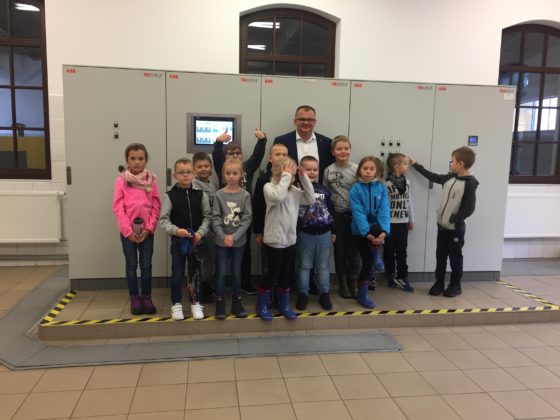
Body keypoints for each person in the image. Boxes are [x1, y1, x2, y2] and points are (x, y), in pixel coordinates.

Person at [409, 147, 478, 297]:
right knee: (440, 257)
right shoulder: (450, 177)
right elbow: (433, 177)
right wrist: (415, 165)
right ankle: (439, 283)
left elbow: (469, 207)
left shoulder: (470, 183)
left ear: (460, 164)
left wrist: (455, 218)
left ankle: (455, 285)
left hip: (455, 229)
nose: (450, 163)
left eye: (452, 161)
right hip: (442, 227)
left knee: (455, 258)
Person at [258, 157, 315, 320]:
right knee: (272, 274)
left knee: (285, 275)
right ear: (279, 173)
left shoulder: (294, 191)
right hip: (274, 240)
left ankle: (284, 305)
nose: (291, 178)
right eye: (288, 174)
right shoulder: (269, 187)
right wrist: (286, 177)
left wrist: (304, 177)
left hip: (289, 240)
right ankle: (261, 305)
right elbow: (278, 197)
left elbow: (310, 199)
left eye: (293, 174)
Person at [213, 129, 267, 296]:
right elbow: (216, 156)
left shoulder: (247, 167)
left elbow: (257, 156)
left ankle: (244, 282)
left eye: (238, 153)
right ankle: (220, 285)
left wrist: (262, 141)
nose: (235, 156)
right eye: (230, 153)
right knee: (222, 254)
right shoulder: (223, 168)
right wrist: (218, 143)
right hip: (224, 218)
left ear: (242, 155)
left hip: (243, 218)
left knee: (244, 251)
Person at [159, 158, 211, 320]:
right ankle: (176, 304)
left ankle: (196, 303)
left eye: (188, 172)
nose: (185, 175)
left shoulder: (201, 194)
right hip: (178, 242)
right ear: (175, 175)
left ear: (193, 174)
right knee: (177, 274)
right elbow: (163, 221)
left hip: (197, 242)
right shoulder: (170, 196)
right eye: (181, 173)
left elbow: (207, 217)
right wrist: (177, 231)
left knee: (196, 274)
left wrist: (200, 232)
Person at [113, 143, 161, 315]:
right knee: (131, 265)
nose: (137, 162)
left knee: (146, 265)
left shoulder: (151, 180)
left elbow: (156, 205)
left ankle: (146, 298)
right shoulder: (121, 181)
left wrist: (150, 228)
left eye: (141, 158)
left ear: (146, 160)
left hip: (147, 232)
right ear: (127, 160)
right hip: (128, 233)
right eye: (133, 158)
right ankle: (135, 298)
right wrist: (128, 231)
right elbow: (118, 208)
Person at [212, 158, 252, 319]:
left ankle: (237, 303)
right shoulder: (219, 195)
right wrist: (223, 236)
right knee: (221, 272)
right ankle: (220, 304)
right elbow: (215, 218)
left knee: (236, 271)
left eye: (235, 173)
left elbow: (247, 219)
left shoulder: (245, 195)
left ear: (241, 174)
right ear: (223, 175)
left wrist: (234, 237)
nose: (231, 176)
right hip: (221, 242)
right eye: (228, 173)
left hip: (238, 241)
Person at [349, 156, 390, 309]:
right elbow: (358, 213)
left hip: (376, 229)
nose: (368, 171)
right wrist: (367, 233)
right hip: (360, 231)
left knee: (378, 226)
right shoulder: (355, 189)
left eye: (371, 169)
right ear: (359, 170)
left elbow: (384, 211)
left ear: (377, 172)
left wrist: (384, 231)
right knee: (366, 262)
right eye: (365, 168)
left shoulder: (381, 188)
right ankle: (363, 295)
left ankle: (375, 253)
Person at [296, 156, 336, 311]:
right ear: (301, 171)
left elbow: (331, 210)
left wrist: (333, 230)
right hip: (305, 234)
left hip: (325, 234)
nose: (312, 172)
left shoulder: (324, 190)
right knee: (305, 266)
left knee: (323, 266)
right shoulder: (297, 189)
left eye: (315, 169)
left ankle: (324, 293)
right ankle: (303, 294)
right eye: (308, 169)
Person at [323, 135, 361, 299]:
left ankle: (353, 283)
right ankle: (343, 284)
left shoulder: (357, 169)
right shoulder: (328, 170)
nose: (343, 151)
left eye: (346, 148)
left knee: (354, 253)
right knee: (339, 253)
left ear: (350, 150)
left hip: (354, 216)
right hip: (337, 216)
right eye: (339, 149)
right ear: (333, 152)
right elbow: (325, 194)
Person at [253, 143, 289, 285]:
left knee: (285, 267)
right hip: (268, 231)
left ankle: (282, 292)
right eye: (277, 154)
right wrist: (258, 232)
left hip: (287, 231)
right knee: (268, 267)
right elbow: (258, 206)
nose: (281, 157)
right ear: (270, 158)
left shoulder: (292, 178)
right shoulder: (264, 179)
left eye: (284, 155)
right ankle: (267, 293)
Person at [274, 105, 335, 183]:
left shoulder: (326, 143)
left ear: (315, 122)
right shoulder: (282, 141)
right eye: (302, 119)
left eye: (310, 120)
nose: (306, 122)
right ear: (295, 121)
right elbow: (273, 168)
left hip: (319, 189)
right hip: (290, 189)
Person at [384, 153, 414, 292]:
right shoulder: (386, 184)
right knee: (389, 251)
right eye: (405, 164)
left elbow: (409, 202)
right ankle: (391, 275)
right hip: (389, 223)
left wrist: (411, 219)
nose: (407, 167)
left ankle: (402, 276)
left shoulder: (407, 182)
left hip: (403, 222)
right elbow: (383, 206)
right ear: (397, 167)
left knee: (402, 251)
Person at [192, 152, 218, 304]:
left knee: (209, 258)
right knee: (200, 260)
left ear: (211, 167)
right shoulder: (194, 184)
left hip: (212, 228)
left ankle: (205, 283)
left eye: (206, 166)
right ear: (194, 169)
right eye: (199, 166)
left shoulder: (212, 184)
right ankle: (196, 289)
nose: (203, 169)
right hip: (200, 228)